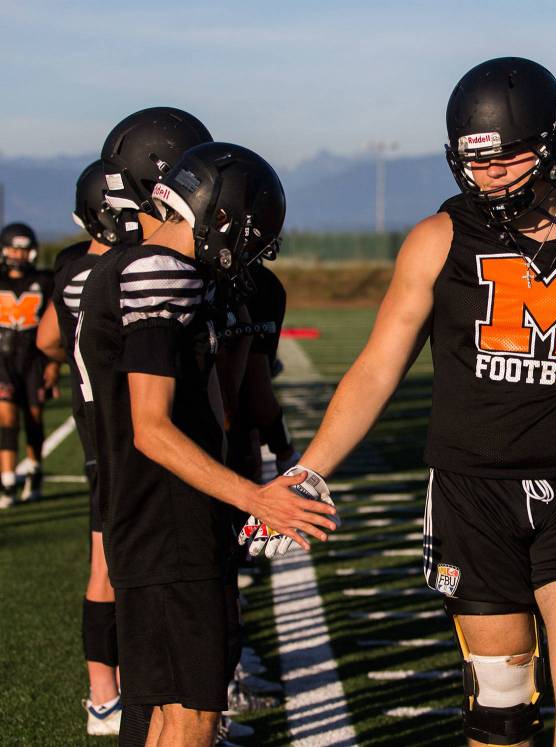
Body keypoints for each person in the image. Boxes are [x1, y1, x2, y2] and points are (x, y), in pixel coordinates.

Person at [242, 57, 556, 746]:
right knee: (501, 704)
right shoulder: (437, 240)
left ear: (552, 146)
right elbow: (379, 366)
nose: (490, 175)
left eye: (507, 159)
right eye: (476, 162)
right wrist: (312, 467)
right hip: (473, 493)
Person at [77, 129, 338, 746]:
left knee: (169, 710)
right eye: (249, 235)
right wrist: (258, 498)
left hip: (146, 517)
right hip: (167, 522)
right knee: (193, 715)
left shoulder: (125, 262)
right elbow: (153, 428)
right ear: (221, 217)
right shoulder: (163, 273)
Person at [36, 159, 122, 735]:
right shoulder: (134, 268)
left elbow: (45, 338)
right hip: (132, 436)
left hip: (94, 431)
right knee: (127, 568)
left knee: (106, 566)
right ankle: (115, 697)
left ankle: (104, 697)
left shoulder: (69, 267)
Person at [0, 221, 57, 506]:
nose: (18, 255)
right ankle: (8, 479)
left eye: (23, 250)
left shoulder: (44, 282)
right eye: (13, 248)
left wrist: (53, 365)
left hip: (33, 359)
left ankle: (34, 470)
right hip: (3, 360)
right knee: (6, 415)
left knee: (34, 419)